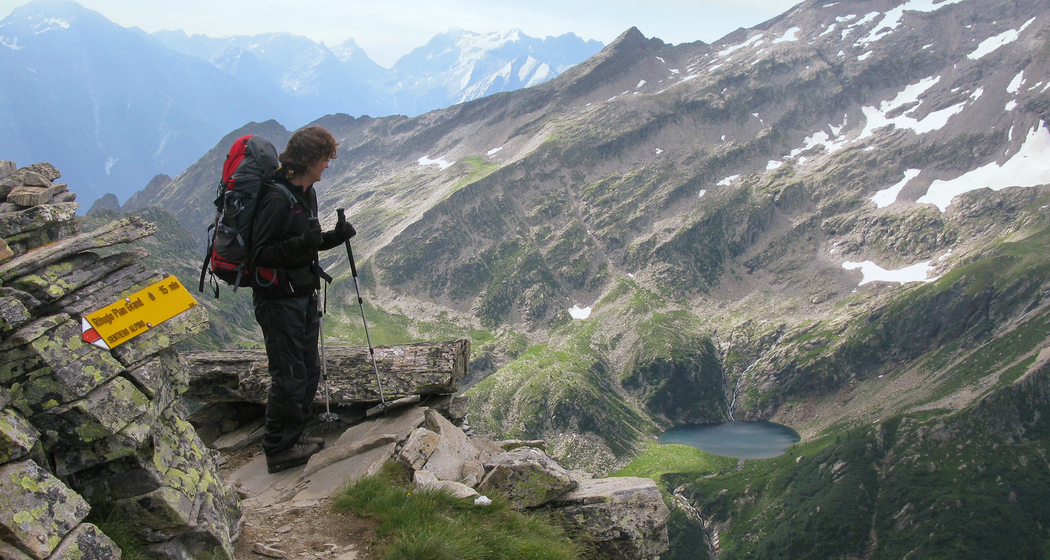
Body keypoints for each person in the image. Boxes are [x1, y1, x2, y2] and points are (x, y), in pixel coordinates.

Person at [250, 125, 356, 474]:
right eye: (325, 159)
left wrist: (332, 238)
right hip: (278, 300)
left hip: (301, 293)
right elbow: (260, 254)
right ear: (310, 160)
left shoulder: (305, 192)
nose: (328, 165)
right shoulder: (277, 198)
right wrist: (304, 243)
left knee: (308, 370)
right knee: (290, 374)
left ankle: (294, 437)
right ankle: (278, 449)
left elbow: (303, 242)